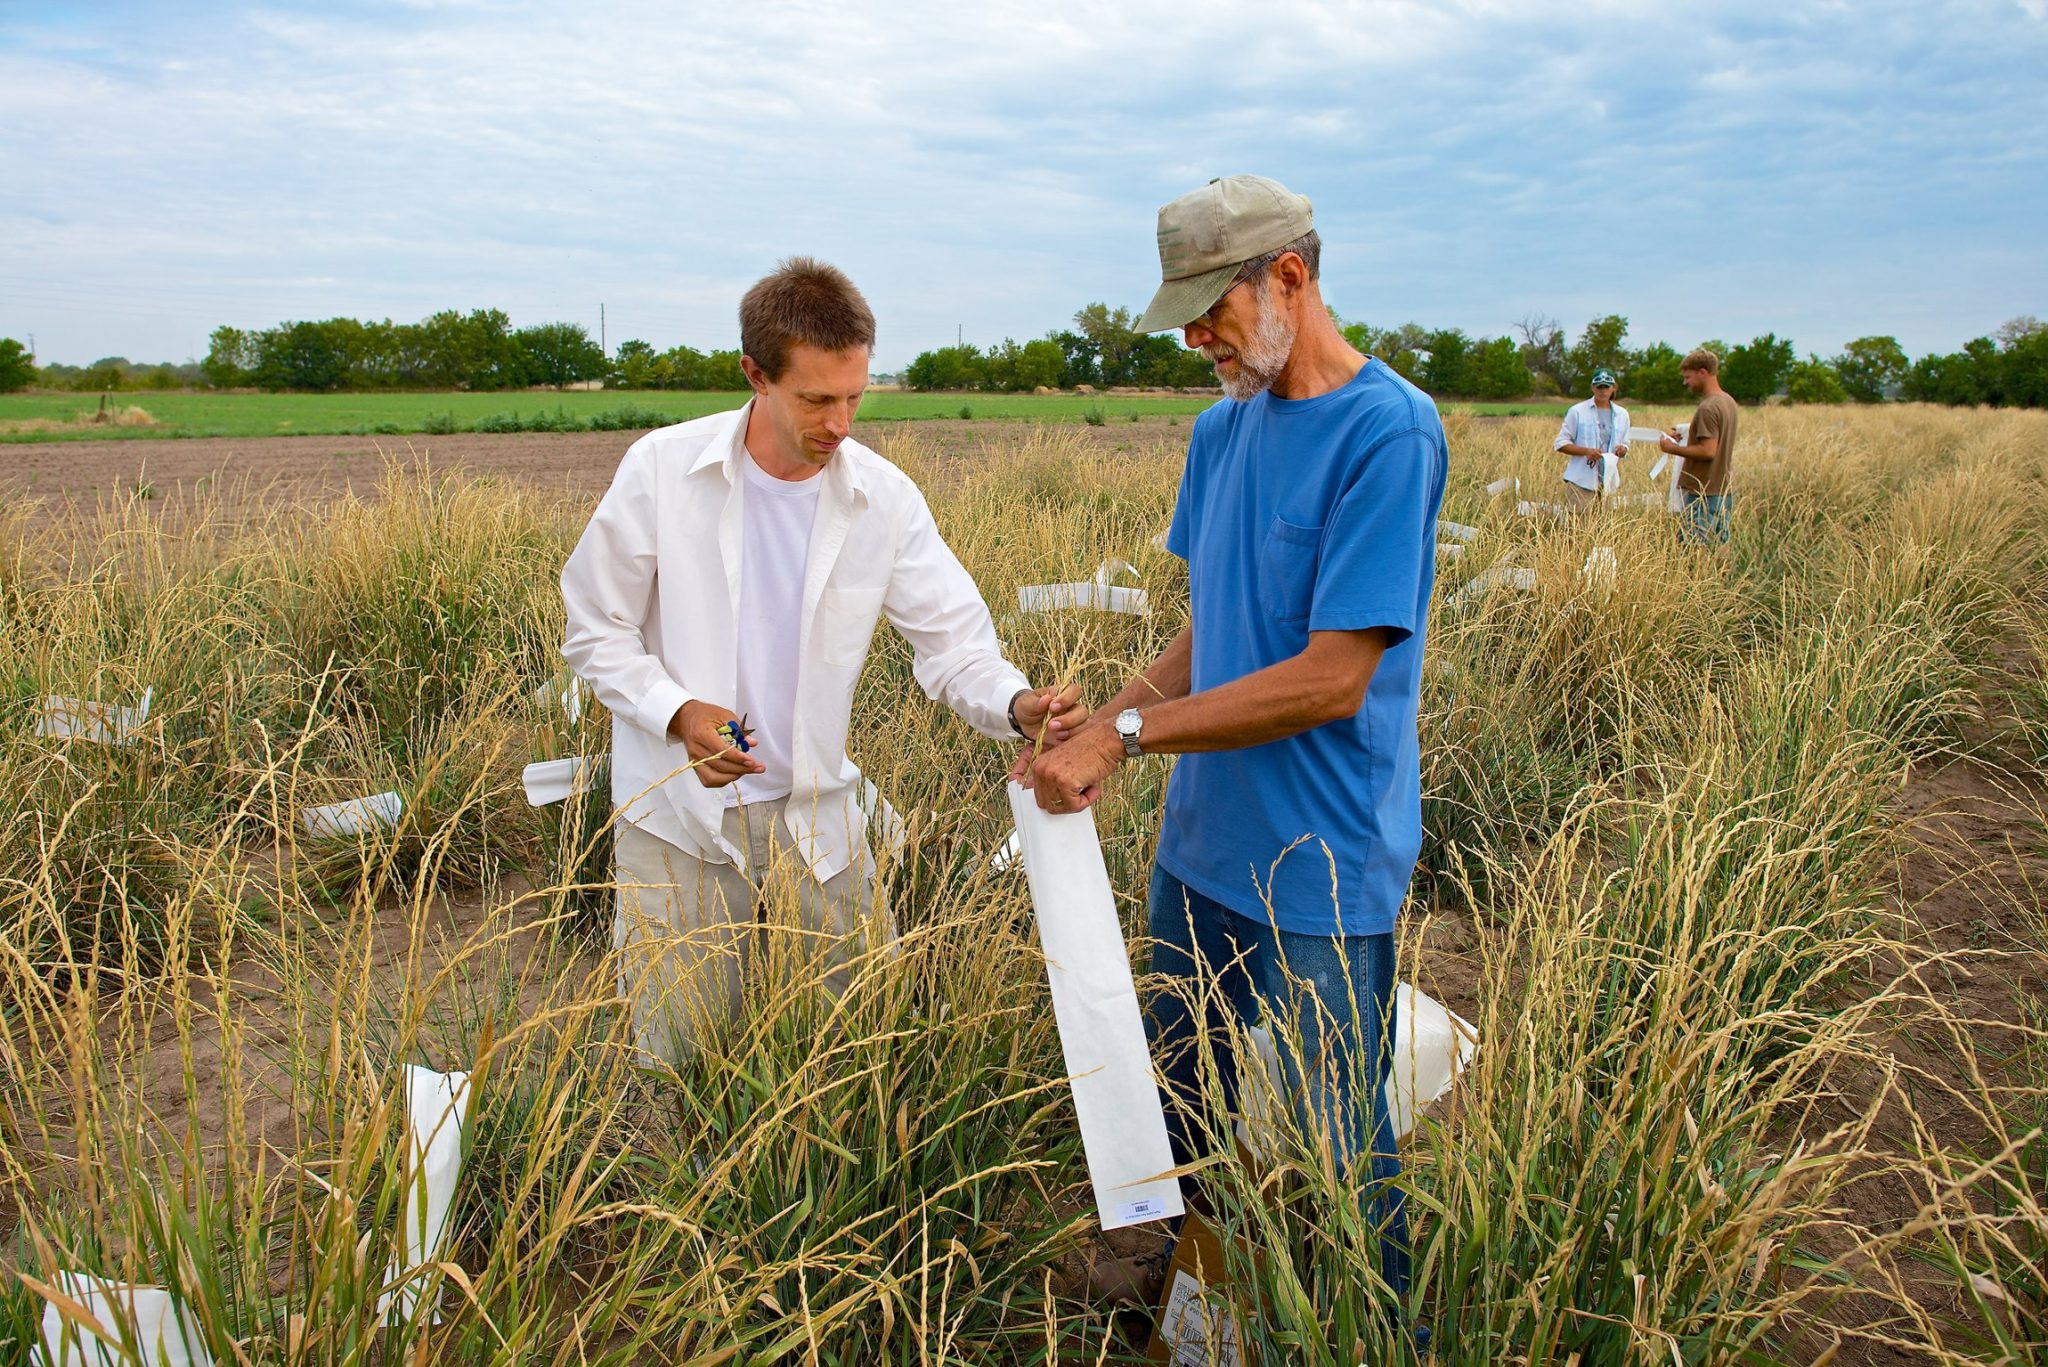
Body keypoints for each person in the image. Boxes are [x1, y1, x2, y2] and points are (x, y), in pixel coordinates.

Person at [1023, 176, 1444, 1311]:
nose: (1198, 337)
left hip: (1319, 864)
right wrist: (1101, 710)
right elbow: (1210, 630)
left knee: (1334, 1137)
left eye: (1214, 308)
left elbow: (1327, 676)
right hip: (1197, 850)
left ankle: (1369, 1324)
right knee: (1173, 1100)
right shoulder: (1217, 434)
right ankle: (1172, 1306)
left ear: (1290, 279)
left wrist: (1124, 733)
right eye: (1187, 315)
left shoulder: (1389, 432)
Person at [562, 257, 1085, 1067]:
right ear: (754, 375)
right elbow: (595, 628)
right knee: (679, 1059)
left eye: (854, 396)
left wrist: (1017, 704)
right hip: (675, 821)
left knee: (847, 1054)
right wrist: (678, 712)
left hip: (821, 818)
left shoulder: (884, 497)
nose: (840, 423)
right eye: (815, 399)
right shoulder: (662, 470)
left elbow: (954, 644)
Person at [1660, 348, 1740, 544]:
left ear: (1702, 372)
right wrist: (1686, 432)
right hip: (1722, 487)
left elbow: (1708, 450)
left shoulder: (1708, 408)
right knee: (1720, 541)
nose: (1685, 382)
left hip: (1703, 488)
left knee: (1694, 544)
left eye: (1688, 376)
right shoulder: (1727, 401)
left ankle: (1697, 576)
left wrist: (1671, 449)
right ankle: (1722, 576)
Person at [1554, 367, 1629, 511]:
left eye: (1606, 387)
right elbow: (1561, 443)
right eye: (1599, 386)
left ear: (1614, 388)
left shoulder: (1622, 414)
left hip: (1608, 482)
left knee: (1605, 528)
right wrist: (1586, 451)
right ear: (1592, 388)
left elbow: (1625, 442)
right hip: (1581, 480)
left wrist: (1622, 449)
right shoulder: (1577, 411)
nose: (1603, 390)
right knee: (1579, 527)